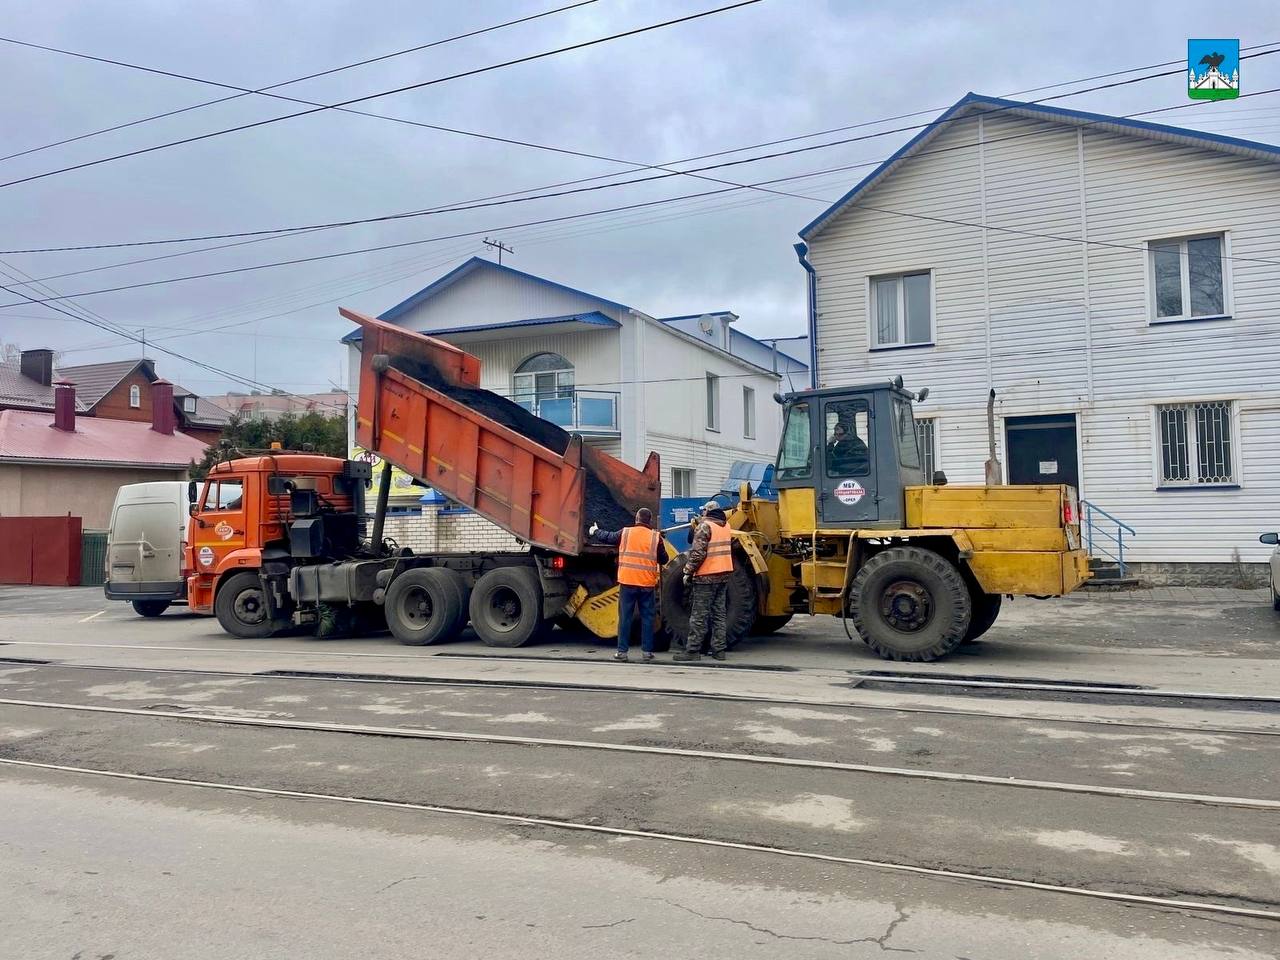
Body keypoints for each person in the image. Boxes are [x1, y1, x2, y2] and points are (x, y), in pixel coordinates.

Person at [589, 508, 665, 662]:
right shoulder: (655, 537)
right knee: (647, 618)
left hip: (628, 582)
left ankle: (622, 652)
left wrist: (595, 531)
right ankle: (647, 652)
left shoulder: (625, 533)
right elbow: (664, 559)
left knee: (625, 618)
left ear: (636, 518)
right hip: (646, 585)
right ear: (649, 521)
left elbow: (608, 537)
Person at [676, 501, 734, 662]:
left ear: (708, 511)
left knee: (699, 615)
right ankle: (719, 650)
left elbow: (697, 554)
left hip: (706, 577)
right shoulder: (726, 526)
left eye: (703, 511)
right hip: (723, 575)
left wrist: (687, 571)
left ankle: (693, 651)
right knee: (719, 615)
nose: (702, 513)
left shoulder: (705, 526)